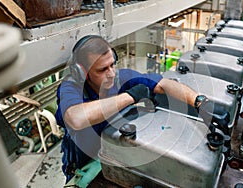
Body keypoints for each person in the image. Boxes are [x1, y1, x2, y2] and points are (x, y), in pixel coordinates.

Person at [55, 35, 230, 182]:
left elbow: (164, 85)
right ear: (82, 72)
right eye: (102, 70)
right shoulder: (70, 88)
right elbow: (75, 118)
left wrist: (199, 101)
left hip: (115, 154)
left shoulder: (120, 77)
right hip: (84, 164)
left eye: (112, 64)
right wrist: (129, 97)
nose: (111, 73)